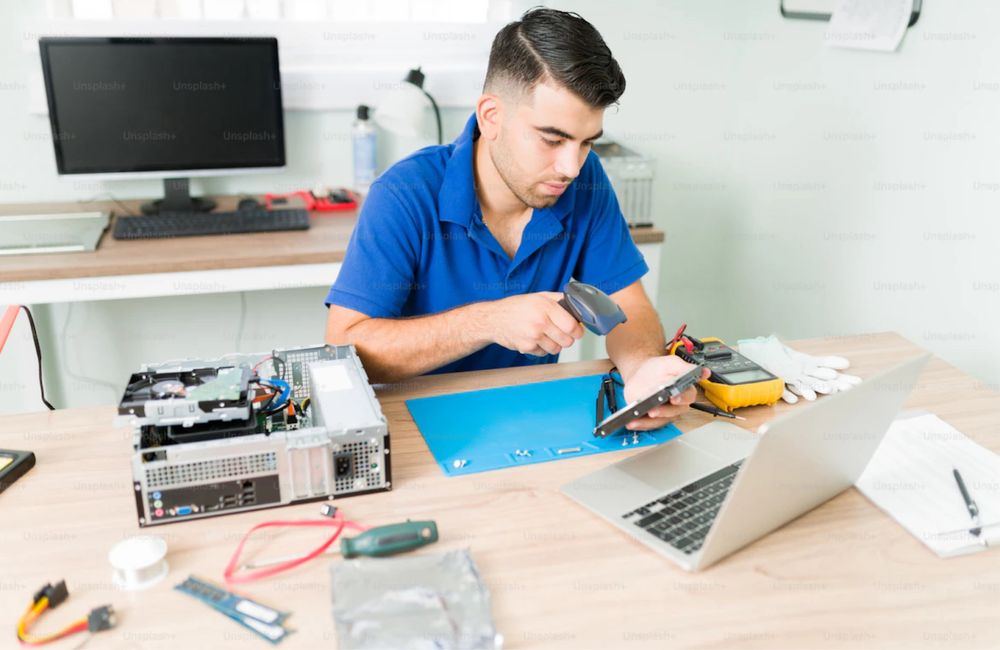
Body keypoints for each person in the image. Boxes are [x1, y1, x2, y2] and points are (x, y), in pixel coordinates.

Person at [325, 8, 704, 430]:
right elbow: (344, 348)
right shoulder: (403, 193)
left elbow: (627, 304)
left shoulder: (584, 181)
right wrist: (489, 321)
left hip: (527, 420)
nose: (571, 167)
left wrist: (643, 373)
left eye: (585, 143)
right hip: (414, 431)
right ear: (492, 117)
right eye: (553, 139)